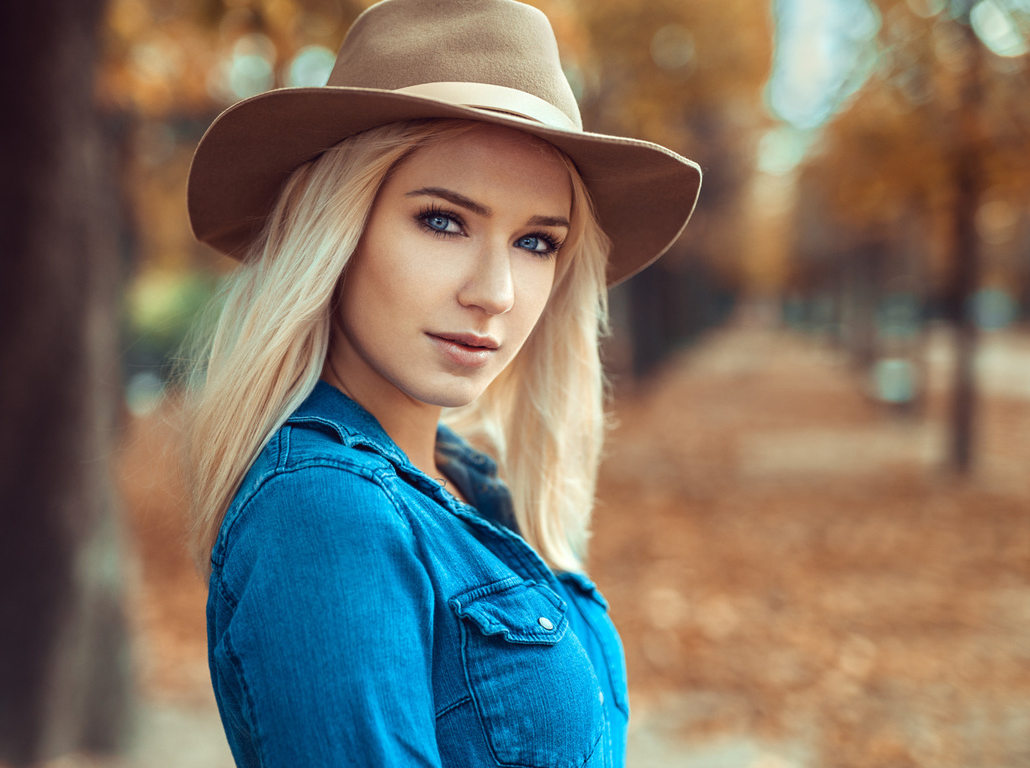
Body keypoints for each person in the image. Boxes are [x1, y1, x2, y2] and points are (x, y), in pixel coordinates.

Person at [180, 1, 701, 765]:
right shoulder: (327, 512)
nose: (495, 292)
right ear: (338, 228)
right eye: (444, 221)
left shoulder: (464, 486)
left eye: (534, 241)